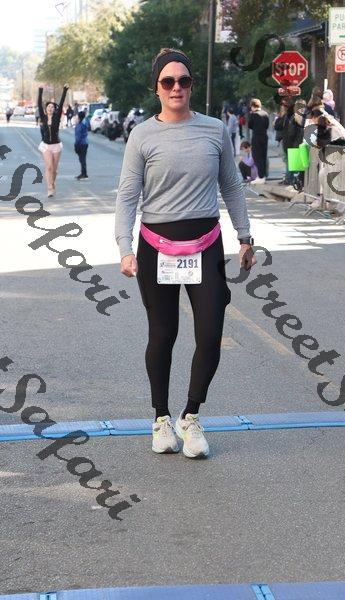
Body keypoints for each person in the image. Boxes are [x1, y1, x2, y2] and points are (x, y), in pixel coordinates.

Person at [115, 47, 256, 458]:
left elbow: (232, 185)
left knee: (210, 333)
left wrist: (245, 236)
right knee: (163, 334)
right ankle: (161, 418)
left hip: (205, 245)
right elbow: (128, 195)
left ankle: (190, 416)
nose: (176, 87)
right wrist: (125, 248)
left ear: (192, 85)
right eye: (168, 81)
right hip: (156, 248)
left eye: (184, 80)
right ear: (157, 88)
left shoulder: (214, 130)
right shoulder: (142, 135)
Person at [37, 84, 68, 197]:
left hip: (56, 145)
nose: (50, 108)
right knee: (49, 167)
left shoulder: (56, 117)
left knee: (54, 169)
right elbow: (39, 104)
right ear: (46, 109)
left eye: (52, 107)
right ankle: (49, 188)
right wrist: (40, 91)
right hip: (46, 145)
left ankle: (53, 183)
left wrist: (64, 90)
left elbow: (62, 102)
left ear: (54, 109)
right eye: (48, 106)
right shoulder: (43, 117)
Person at [248, 98, 269, 183]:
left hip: (256, 137)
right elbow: (267, 126)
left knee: (257, 156)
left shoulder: (254, 114)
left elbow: (250, 125)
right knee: (263, 156)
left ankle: (260, 176)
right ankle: (263, 175)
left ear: (253, 106)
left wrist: (251, 115)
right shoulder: (265, 114)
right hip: (264, 136)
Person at [74, 111, 89, 180]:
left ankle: (84, 173)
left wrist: (76, 144)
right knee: (83, 159)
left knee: (82, 159)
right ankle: (84, 172)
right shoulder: (84, 123)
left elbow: (78, 136)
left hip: (81, 144)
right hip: (85, 143)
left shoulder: (80, 125)